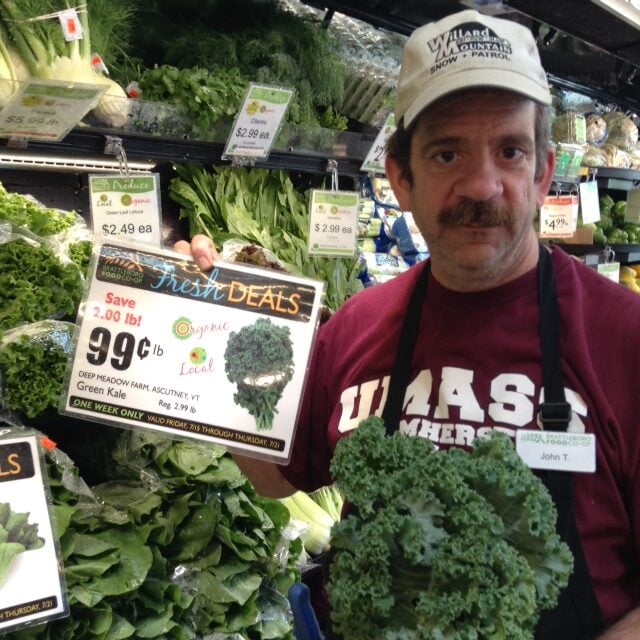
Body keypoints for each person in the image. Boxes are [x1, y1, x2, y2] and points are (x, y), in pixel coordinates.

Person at [175, 9, 640, 639]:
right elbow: (277, 477)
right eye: (447, 152)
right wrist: (210, 329)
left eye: (509, 150)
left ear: (542, 174)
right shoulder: (356, 326)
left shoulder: (625, 338)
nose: (482, 185)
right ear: (401, 177)